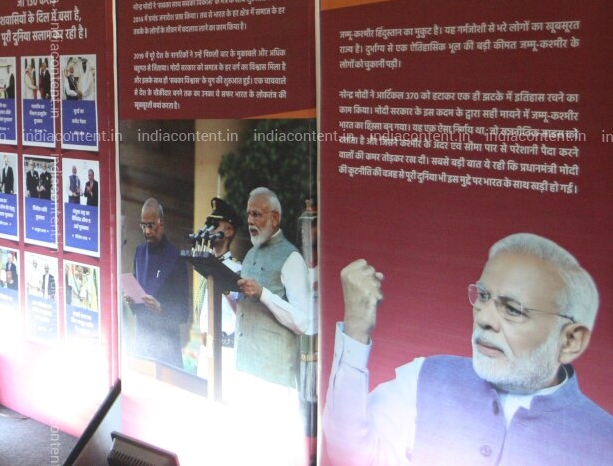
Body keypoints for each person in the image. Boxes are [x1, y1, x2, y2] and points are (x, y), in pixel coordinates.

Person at [324, 233, 612, 465]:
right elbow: (351, 456)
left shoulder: (605, 440)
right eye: (483, 296)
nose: (484, 318)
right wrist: (356, 328)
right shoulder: (427, 375)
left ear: (570, 341)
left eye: (512, 309)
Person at [233, 187, 311, 464]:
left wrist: (263, 293)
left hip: (273, 381)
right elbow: (249, 310)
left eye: (257, 214)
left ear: (275, 218)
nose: (250, 221)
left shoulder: (291, 259)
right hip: (245, 371)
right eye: (248, 214)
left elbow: (303, 321)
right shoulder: (250, 255)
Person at [125, 198, 190, 369]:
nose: (147, 231)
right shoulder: (139, 252)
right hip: (143, 341)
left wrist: (160, 308)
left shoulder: (175, 257)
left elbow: (184, 312)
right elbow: (137, 296)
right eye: (143, 226)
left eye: (151, 225)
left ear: (161, 222)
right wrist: (132, 300)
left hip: (166, 347)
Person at [194, 197, 243, 380]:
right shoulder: (206, 265)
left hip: (226, 349)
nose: (210, 230)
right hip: (206, 347)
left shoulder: (237, 269)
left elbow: (241, 313)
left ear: (229, 231)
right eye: (209, 224)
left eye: (215, 225)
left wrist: (227, 290)